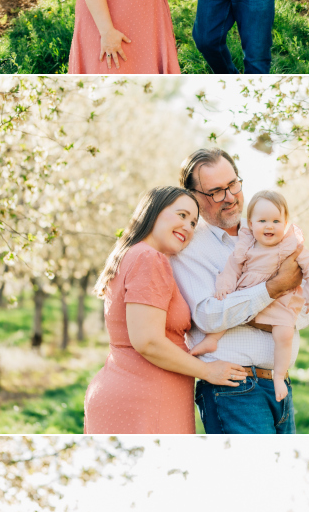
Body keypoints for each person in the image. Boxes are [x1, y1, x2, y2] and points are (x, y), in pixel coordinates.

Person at [83, 186, 243, 438]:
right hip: (145, 398)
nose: (188, 227)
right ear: (153, 211)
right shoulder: (149, 259)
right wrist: (208, 371)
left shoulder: (131, 255)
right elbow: (148, 341)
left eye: (193, 222)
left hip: (133, 392)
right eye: (181, 215)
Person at [170, 146, 305, 434]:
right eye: (216, 191)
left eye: (233, 184)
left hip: (280, 385)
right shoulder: (188, 246)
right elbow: (207, 316)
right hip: (234, 390)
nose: (230, 197)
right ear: (193, 197)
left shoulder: (272, 231)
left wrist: (253, 313)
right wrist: (273, 291)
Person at [213, 190, 309, 402]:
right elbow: (232, 268)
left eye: (276, 220)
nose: (269, 226)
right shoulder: (246, 245)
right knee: (226, 316)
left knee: (284, 335)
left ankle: (279, 377)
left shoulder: (292, 246)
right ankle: (211, 341)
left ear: (285, 223)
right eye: (262, 220)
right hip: (247, 295)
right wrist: (225, 286)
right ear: (251, 223)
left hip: (279, 302)